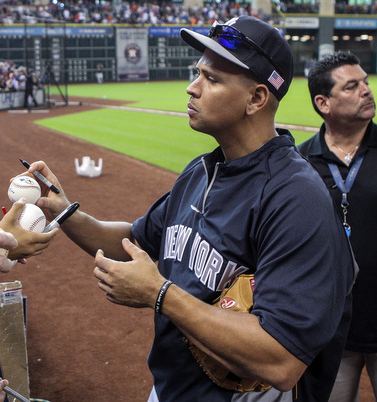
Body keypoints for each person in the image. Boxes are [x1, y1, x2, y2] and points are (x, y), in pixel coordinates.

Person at [26, 16, 355, 401]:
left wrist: (160, 294)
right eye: (197, 73)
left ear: (256, 98)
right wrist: (66, 211)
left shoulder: (296, 197)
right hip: (171, 389)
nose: (192, 87)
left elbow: (280, 360)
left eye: (211, 79)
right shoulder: (201, 171)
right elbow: (137, 241)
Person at [297, 51, 377, 401]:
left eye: (366, 82)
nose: (367, 90)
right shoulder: (298, 163)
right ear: (323, 102)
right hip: (329, 333)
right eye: (352, 86)